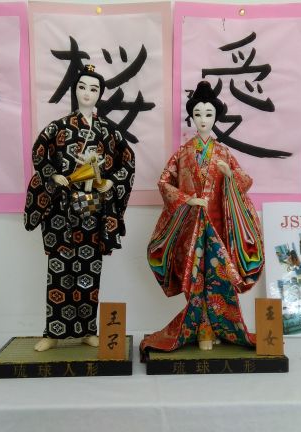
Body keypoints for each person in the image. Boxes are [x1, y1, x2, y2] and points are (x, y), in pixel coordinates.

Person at [140, 81, 264, 353]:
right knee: (196, 277)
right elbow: (164, 182)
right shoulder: (183, 153)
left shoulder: (223, 153)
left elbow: (245, 181)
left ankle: (217, 327)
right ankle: (203, 328)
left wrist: (229, 174)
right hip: (192, 226)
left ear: (216, 117)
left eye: (209, 114)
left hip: (218, 227)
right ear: (192, 117)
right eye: (198, 114)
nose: (203, 120)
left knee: (218, 277)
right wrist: (188, 199)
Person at [24, 64, 135, 352]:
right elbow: (39, 153)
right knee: (59, 269)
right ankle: (53, 332)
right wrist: (52, 176)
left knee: (90, 269)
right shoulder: (58, 127)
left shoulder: (108, 131)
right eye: (83, 87)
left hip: (92, 209)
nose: (87, 93)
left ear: (100, 94)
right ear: (75, 90)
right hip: (61, 209)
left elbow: (127, 162)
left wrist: (111, 182)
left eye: (94, 88)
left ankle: (87, 329)